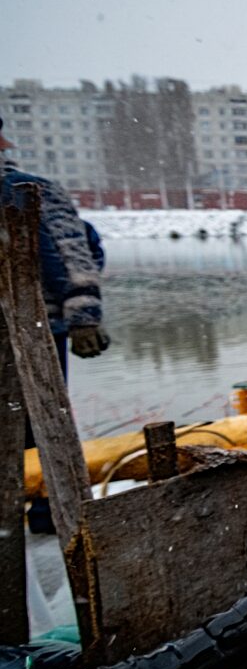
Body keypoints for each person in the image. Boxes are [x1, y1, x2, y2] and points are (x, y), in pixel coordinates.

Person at [1, 111, 110, 534]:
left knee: (42, 420)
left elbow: (73, 253)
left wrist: (83, 317)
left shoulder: (30, 191)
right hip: (28, 324)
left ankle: (50, 512)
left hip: (35, 328)